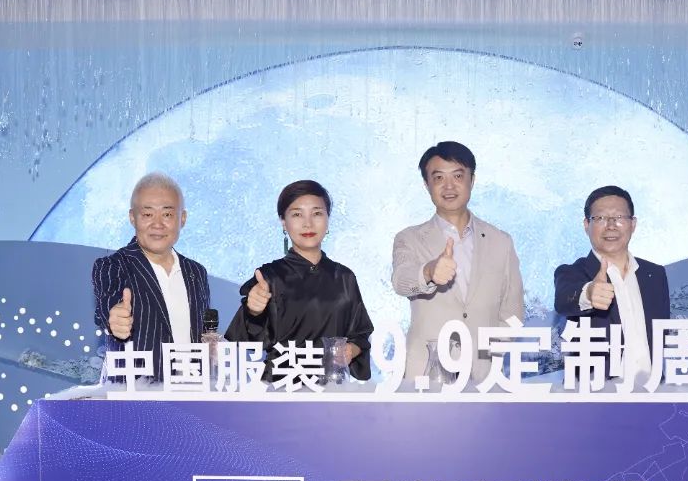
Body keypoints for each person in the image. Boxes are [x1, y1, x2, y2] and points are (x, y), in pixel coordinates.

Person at [391, 141, 524, 382]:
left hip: (483, 377)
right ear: (427, 185)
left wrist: (487, 354)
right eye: (438, 178)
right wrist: (429, 272)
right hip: (426, 374)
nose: (449, 186)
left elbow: (513, 313)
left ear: (472, 180)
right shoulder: (409, 238)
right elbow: (401, 280)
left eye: (458, 176)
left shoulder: (501, 241)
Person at [225, 180, 373, 381]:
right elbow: (242, 340)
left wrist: (351, 349)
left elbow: (360, 334)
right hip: (282, 386)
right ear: (283, 222)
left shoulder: (345, 277)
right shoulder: (269, 277)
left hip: (333, 388)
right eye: (297, 214)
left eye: (317, 213)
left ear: (328, 219)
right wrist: (254, 312)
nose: (308, 223)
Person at [92, 172, 211, 380]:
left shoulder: (196, 273)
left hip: (192, 393)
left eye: (167, 214)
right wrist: (116, 320)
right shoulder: (113, 266)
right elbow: (108, 308)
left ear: (182, 218)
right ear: (132, 217)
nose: (157, 224)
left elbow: (201, 336)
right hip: (136, 395)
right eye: (147, 214)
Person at [553, 185, 670, 381]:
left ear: (633, 224)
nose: (611, 225)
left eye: (619, 217)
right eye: (600, 218)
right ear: (586, 225)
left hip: (652, 392)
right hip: (597, 394)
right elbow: (564, 298)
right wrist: (588, 293)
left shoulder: (655, 274)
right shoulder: (572, 272)